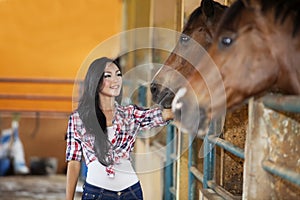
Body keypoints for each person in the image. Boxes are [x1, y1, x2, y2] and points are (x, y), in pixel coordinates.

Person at [65, 57, 173, 200]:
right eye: (108, 76)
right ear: (95, 82)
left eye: (118, 74)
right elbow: (73, 162)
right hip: (96, 194)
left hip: (131, 192)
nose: (116, 80)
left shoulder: (129, 114)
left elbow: (164, 115)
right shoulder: (78, 118)